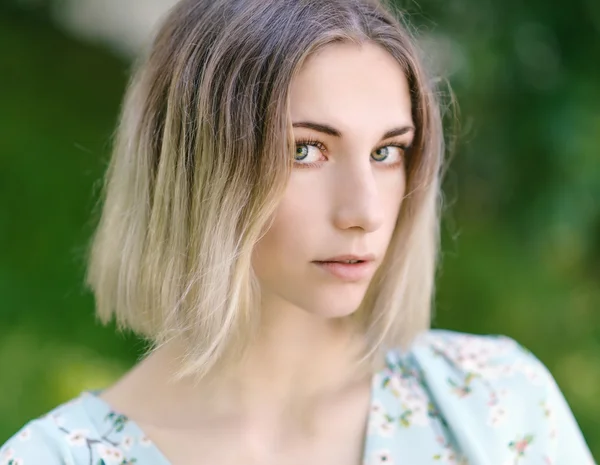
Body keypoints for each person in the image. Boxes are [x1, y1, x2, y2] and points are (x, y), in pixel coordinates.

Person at [1, 0, 595, 463]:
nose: (363, 210)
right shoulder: (56, 458)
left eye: (388, 151)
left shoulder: (496, 403)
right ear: (196, 165)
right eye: (307, 150)